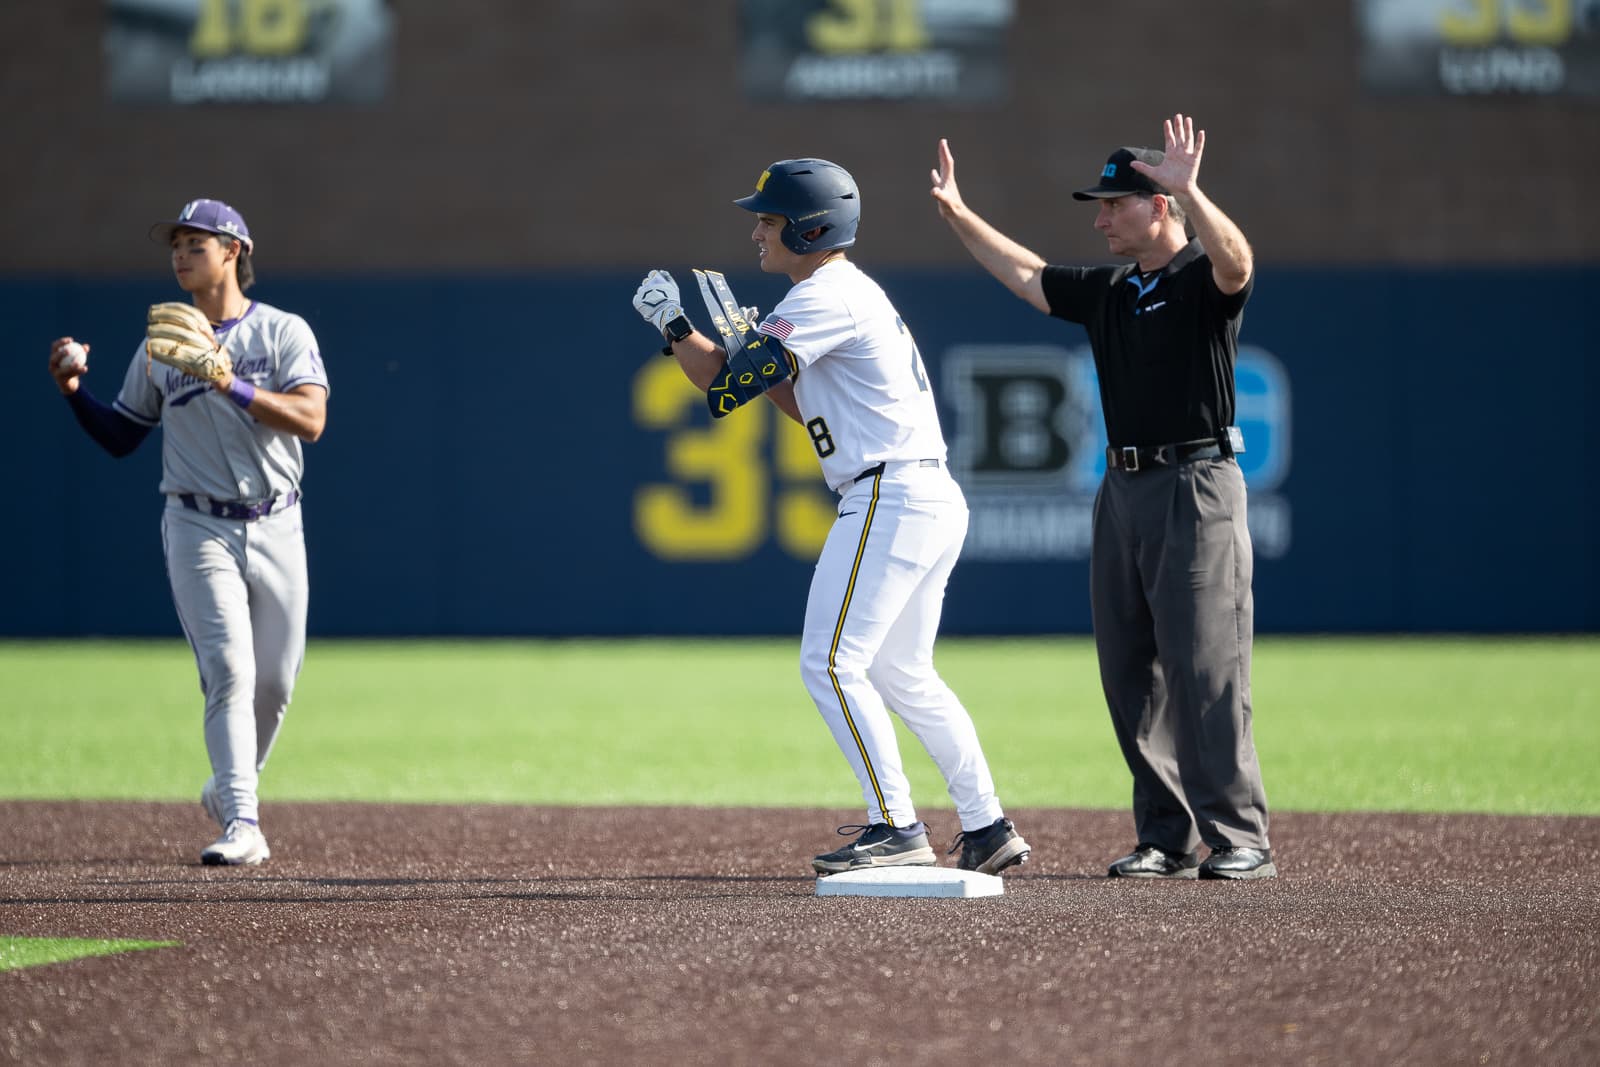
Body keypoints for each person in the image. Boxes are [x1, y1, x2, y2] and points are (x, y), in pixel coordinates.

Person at [632, 159, 1029, 877]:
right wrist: (753, 356)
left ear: (811, 230)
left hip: (889, 494)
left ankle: (896, 825)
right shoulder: (840, 293)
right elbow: (792, 401)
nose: (758, 232)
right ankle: (986, 825)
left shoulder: (824, 295)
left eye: (770, 220)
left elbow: (724, 390)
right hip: (921, 492)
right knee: (903, 673)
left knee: (830, 662)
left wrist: (675, 325)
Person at [929, 115, 1275, 880]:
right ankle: (1166, 835)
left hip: (1195, 482)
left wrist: (1193, 191)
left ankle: (1239, 835)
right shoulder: (1114, 290)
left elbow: (1239, 263)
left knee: (1205, 665)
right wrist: (959, 215)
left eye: (1115, 203)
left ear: (1159, 207)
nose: (1101, 218)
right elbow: (1029, 275)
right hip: (1122, 487)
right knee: (1129, 668)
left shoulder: (1199, 278)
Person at [47, 198, 329, 867]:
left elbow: (311, 420)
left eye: (195, 243)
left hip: (277, 521)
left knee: (275, 684)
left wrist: (230, 384)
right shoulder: (162, 342)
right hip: (198, 524)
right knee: (229, 670)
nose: (179, 254)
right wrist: (73, 390)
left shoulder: (282, 331)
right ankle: (243, 820)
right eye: (175, 244)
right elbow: (123, 434)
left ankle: (228, 784)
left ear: (234, 251)